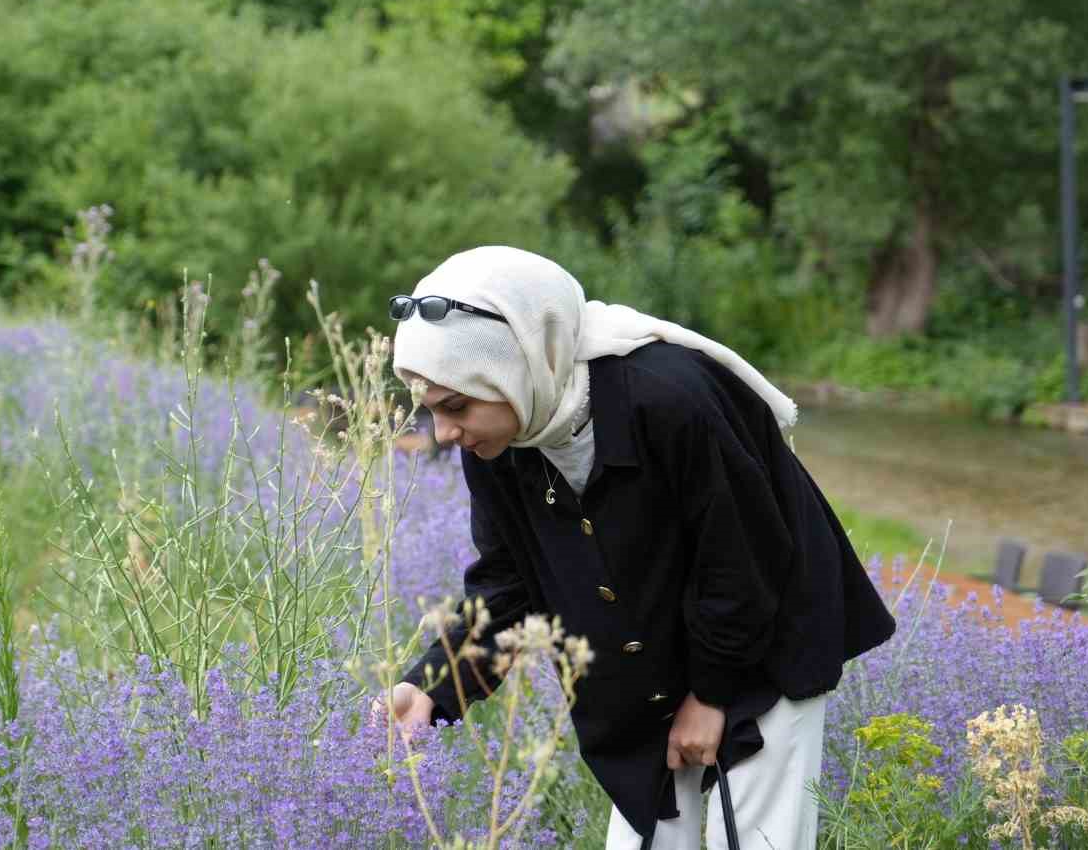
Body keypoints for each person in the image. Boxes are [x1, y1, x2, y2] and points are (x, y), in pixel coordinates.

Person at [377, 246, 895, 850]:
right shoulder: (498, 442)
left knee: (758, 840)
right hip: (649, 668)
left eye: (456, 407)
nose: (443, 433)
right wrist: (433, 689)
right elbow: (506, 587)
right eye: (431, 411)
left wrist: (711, 695)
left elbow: (743, 559)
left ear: (515, 364)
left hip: (767, 645)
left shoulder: (670, 396)